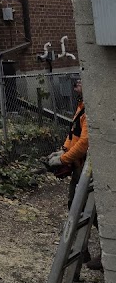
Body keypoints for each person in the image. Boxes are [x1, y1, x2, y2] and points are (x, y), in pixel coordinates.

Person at [47, 77, 102, 270]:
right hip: (80, 165)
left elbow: (85, 143)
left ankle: (106, 249)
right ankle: (82, 249)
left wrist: (64, 159)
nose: (76, 84)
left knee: (90, 210)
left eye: (80, 81)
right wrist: (63, 150)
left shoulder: (91, 109)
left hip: (88, 167)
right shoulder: (82, 106)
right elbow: (75, 134)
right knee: (75, 205)